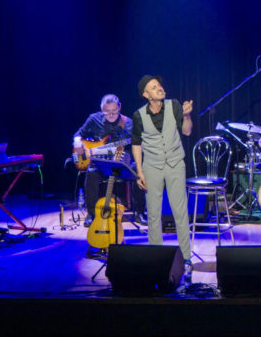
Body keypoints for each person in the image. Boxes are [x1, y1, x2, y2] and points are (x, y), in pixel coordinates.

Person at [131, 75, 194, 281]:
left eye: (159, 85)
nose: (159, 88)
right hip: (152, 166)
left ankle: (186, 258)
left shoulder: (173, 105)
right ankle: (156, 257)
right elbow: (136, 144)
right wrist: (139, 171)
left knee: (180, 211)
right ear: (146, 94)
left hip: (175, 163)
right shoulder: (139, 115)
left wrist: (186, 115)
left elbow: (186, 131)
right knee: (153, 213)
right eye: (153, 87)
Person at [73, 94, 146, 227]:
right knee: (91, 172)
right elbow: (78, 135)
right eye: (107, 112)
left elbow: (138, 143)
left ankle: (140, 212)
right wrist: (77, 142)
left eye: (114, 111)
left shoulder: (128, 123)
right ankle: (91, 213)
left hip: (121, 162)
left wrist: (142, 145)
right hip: (100, 163)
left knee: (138, 171)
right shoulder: (94, 119)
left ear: (119, 107)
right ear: (102, 109)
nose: (111, 115)